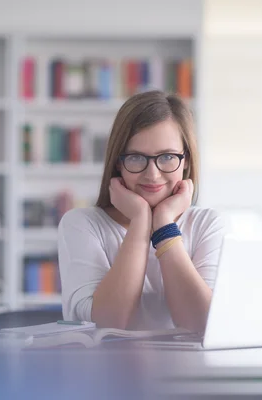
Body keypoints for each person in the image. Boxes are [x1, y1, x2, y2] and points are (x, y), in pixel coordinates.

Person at [57, 90, 226, 332]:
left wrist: (165, 226)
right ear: (118, 161)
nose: (152, 174)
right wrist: (140, 220)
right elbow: (109, 324)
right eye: (136, 157)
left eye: (167, 156)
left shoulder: (207, 224)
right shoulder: (81, 224)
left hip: (189, 370)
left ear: (186, 159)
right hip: (104, 370)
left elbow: (201, 325)